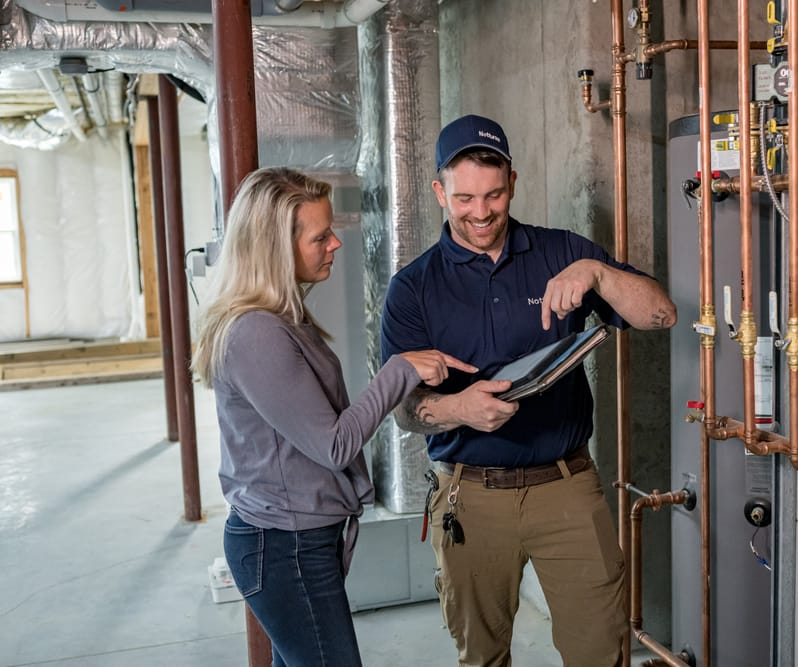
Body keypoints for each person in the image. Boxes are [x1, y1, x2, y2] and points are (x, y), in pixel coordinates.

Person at [380, 115, 677, 667]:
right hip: (469, 495)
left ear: (512, 183)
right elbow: (404, 411)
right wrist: (457, 408)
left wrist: (597, 273)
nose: (481, 212)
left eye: (493, 195)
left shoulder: (560, 252)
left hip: (566, 487)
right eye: (464, 197)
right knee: (482, 657)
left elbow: (661, 314)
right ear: (440, 192)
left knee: (599, 652)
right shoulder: (412, 288)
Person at [191, 166, 475, 667]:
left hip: (295, 541)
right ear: (275, 247)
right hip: (284, 548)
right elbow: (334, 444)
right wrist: (399, 370)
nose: (334, 245)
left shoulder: (280, 320)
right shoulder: (257, 333)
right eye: (320, 236)